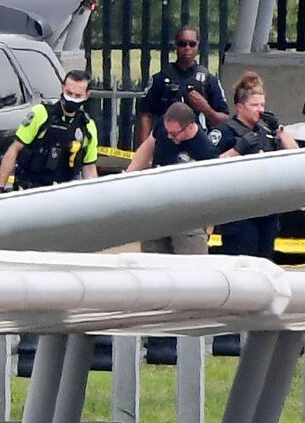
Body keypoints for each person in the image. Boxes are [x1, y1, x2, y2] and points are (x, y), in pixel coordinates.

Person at [208, 72, 296, 258]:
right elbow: (208, 167)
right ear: (240, 106)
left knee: (265, 260)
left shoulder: (266, 132)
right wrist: (237, 150)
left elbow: (295, 155)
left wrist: (279, 130)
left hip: (266, 210)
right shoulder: (225, 132)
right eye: (254, 105)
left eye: (262, 105)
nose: (260, 110)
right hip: (238, 211)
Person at [126, 102, 221, 255]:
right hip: (157, 207)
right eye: (167, 132)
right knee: (152, 259)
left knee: (190, 263)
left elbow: (213, 188)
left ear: (190, 127)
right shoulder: (164, 128)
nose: (169, 136)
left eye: (174, 134)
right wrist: (127, 176)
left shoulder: (206, 150)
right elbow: (147, 147)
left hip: (188, 215)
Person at [0, 69, 99, 191]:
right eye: (69, 93)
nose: (72, 98)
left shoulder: (87, 126)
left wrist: (94, 195)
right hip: (31, 189)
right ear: (62, 88)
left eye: (78, 96)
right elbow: (14, 149)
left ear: (87, 95)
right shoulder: (41, 113)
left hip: (64, 192)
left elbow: (89, 167)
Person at [138, 25, 229, 141]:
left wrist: (206, 108)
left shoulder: (209, 80)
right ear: (176, 46)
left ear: (198, 46)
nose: (187, 48)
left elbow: (224, 120)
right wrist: (144, 147)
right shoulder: (160, 78)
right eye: (182, 44)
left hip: (197, 143)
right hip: (166, 142)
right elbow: (146, 114)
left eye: (192, 44)